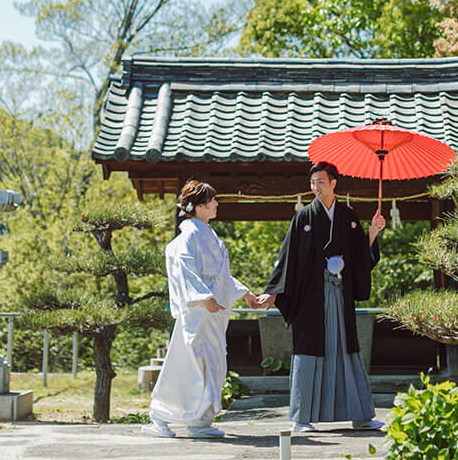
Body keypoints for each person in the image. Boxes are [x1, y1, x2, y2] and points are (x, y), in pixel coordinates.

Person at [255, 161, 386, 433]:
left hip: (339, 294)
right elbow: (287, 257)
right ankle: (302, 417)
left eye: (321, 182)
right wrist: (273, 291)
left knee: (346, 349)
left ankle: (361, 415)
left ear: (334, 183)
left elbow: (361, 256)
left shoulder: (349, 216)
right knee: (308, 351)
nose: (316, 188)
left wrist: (372, 232)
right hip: (310, 299)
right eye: (313, 183)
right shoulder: (303, 217)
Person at [146, 180, 260, 439]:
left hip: (211, 311)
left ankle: (200, 420)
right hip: (197, 313)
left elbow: (222, 277)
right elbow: (185, 267)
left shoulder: (207, 234)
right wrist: (202, 297)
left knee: (212, 365)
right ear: (197, 207)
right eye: (212, 201)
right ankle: (161, 414)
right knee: (189, 365)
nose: (217, 204)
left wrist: (245, 294)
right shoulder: (189, 235)